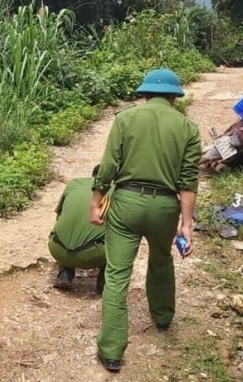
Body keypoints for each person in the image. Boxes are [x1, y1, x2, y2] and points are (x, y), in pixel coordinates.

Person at [88, 68, 201, 372]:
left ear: (145, 93)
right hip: (165, 208)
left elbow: (109, 165)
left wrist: (96, 202)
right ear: (175, 97)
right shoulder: (188, 128)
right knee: (162, 259)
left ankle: (111, 350)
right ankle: (163, 317)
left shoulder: (125, 119)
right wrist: (186, 224)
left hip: (126, 203)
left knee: (117, 275)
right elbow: (188, 181)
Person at [50, 165, 106, 294]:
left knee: (69, 229)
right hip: (90, 256)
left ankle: (65, 273)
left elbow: (58, 217)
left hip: (57, 249)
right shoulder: (116, 192)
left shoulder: (74, 183)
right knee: (122, 239)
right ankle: (105, 285)